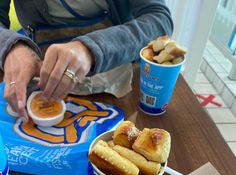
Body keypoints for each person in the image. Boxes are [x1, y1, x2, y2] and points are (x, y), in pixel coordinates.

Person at [0, 0, 173, 121]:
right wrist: (12, 47)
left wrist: (90, 49)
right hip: (38, 82)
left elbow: (159, 20)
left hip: (122, 86)